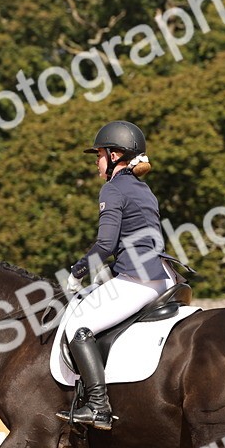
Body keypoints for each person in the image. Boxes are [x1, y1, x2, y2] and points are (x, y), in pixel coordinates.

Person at [57, 120, 177, 430]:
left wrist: (78, 272)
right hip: (162, 275)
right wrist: (109, 273)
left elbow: (105, 244)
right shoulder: (143, 189)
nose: (96, 162)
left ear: (114, 156)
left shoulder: (112, 188)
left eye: (98, 155)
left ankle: (99, 407)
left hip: (139, 280)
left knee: (79, 326)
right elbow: (140, 241)